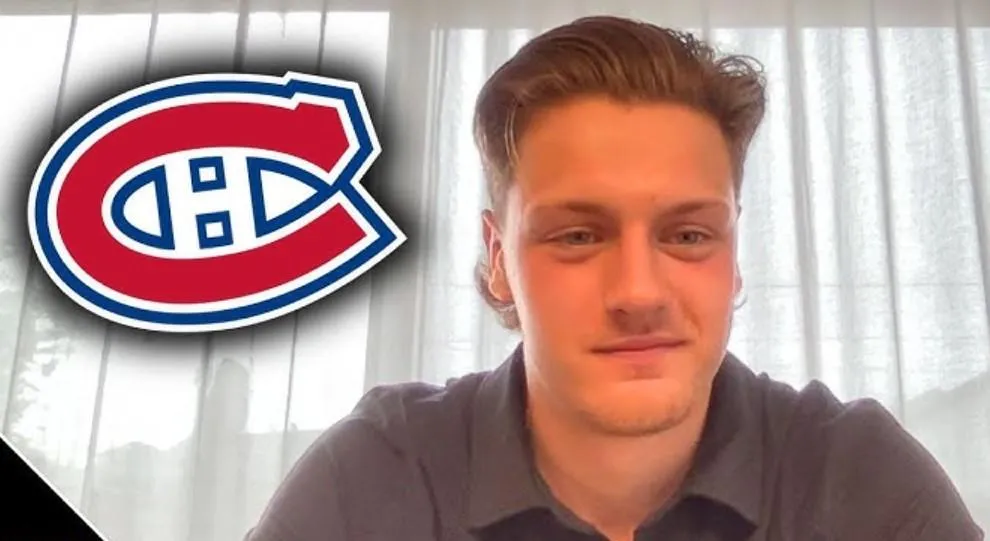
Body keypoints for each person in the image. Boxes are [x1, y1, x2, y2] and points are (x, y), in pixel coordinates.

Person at [244, 15, 984, 541]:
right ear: (498, 259)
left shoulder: (858, 480)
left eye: (688, 235)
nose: (639, 292)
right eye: (578, 236)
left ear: (733, 257)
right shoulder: (373, 481)